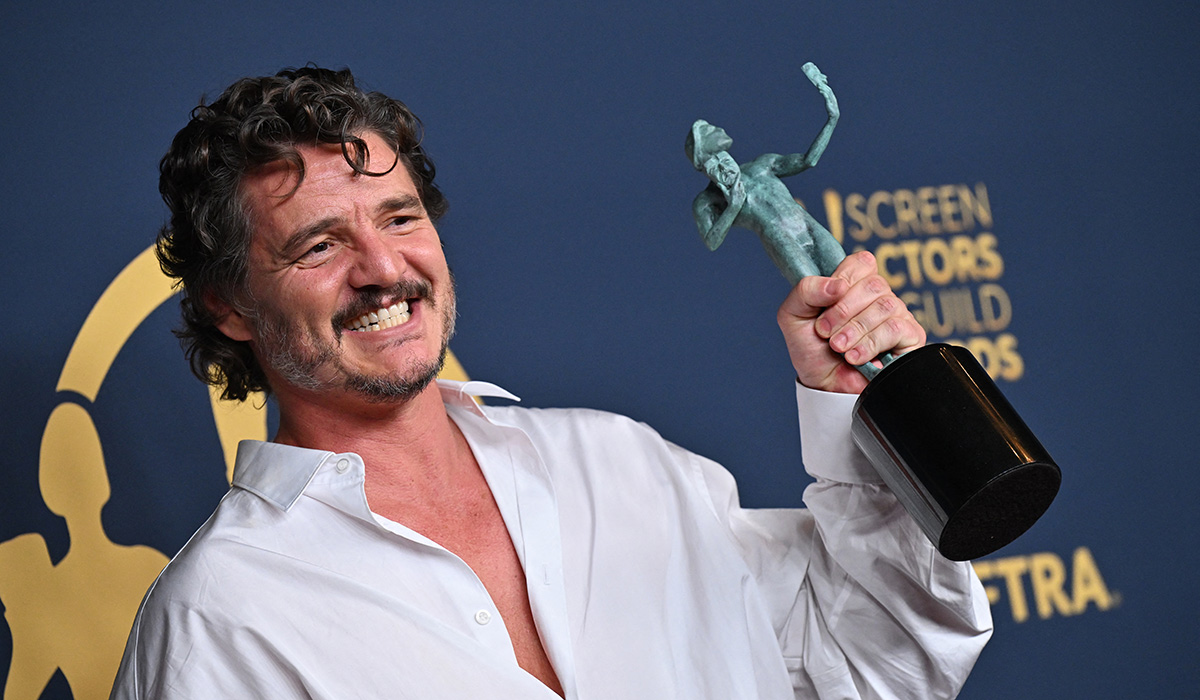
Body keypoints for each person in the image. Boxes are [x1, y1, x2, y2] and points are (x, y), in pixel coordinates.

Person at [110, 66, 992, 699]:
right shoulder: (219, 620)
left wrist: (864, 415)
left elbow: (881, 667)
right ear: (228, 303)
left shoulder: (624, 467)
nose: (384, 269)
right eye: (320, 244)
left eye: (400, 217)